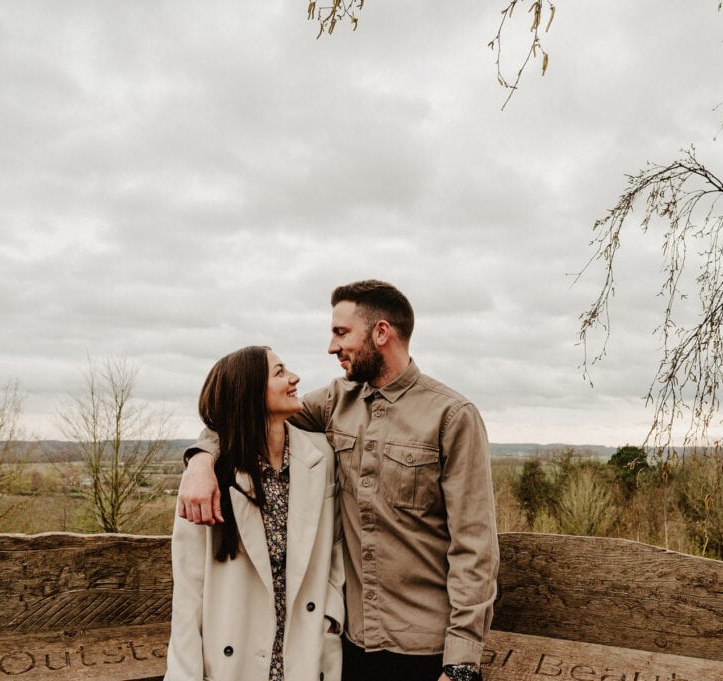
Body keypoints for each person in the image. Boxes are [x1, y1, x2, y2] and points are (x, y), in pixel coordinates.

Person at [178, 280, 500, 681]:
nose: (332, 347)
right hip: (349, 647)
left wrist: (461, 663)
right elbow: (246, 412)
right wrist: (202, 458)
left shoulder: (452, 416)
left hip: (424, 650)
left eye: (341, 333)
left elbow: (475, 546)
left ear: (381, 333)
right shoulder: (334, 402)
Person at [165, 346, 345, 681]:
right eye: (279, 372)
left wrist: (331, 615)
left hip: (307, 648)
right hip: (233, 656)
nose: (294, 378)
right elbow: (189, 591)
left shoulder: (320, 456)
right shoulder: (208, 478)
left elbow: (335, 544)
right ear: (247, 393)